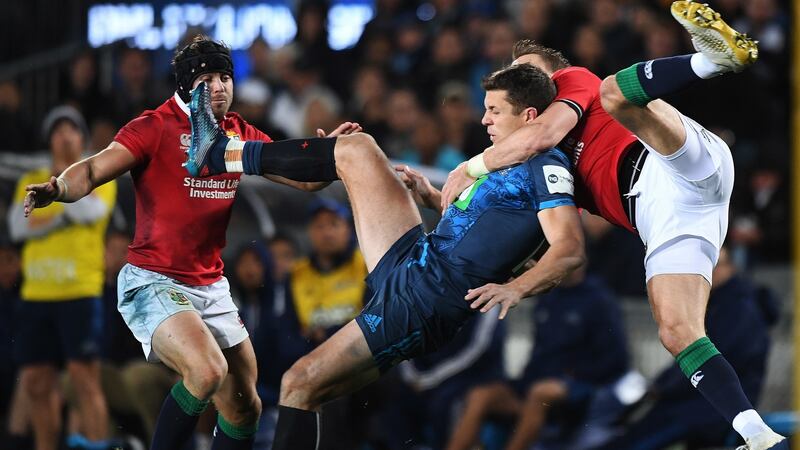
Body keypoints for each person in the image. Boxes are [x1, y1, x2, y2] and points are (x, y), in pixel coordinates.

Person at [185, 61, 585, 449]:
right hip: (417, 258)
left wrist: (516, 288)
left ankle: (222, 154)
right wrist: (430, 197)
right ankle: (224, 153)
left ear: (529, 116)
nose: (485, 120)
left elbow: (569, 248)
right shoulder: (503, 159)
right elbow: (485, 228)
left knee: (298, 383)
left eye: (495, 111)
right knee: (357, 149)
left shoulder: (545, 165)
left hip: (423, 300)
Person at [438, 3, 786, 449]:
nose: (522, 80)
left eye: (530, 71)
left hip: (670, 162)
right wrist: (432, 195)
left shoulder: (572, 83)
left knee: (614, 93)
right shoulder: (534, 162)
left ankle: (711, 61)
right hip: (665, 216)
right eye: (515, 75)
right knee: (677, 332)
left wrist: (469, 166)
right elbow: (549, 233)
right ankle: (759, 435)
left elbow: (540, 135)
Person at [22, 35, 360, 450]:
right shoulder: (154, 126)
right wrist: (59, 188)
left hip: (210, 286)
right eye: (207, 79)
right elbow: (92, 170)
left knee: (245, 407)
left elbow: (305, 181)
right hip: (153, 280)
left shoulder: (237, 131)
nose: (219, 87)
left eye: (225, 77)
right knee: (206, 371)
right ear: (185, 86)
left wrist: (327, 154)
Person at [8, 105, 116, 450]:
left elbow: (90, 212)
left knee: (85, 381)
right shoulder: (29, 180)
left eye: (71, 129)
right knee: (36, 382)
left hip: (79, 291)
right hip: (37, 293)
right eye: (57, 130)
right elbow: (18, 227)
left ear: (82, 138)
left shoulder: (98, 174)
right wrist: (61, 213)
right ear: (49, 139)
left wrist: (52, 199)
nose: (64, 136)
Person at [599, 246, 780, 450]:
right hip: (696, 405)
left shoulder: (739, 310)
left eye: (714, 265)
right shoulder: (716, 303)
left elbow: (712, 361)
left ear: (730, 268)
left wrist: (663, 387)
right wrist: (660, 385)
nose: (706, 271)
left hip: (705, 408)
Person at [446, 267, 630, 450]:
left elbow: (616, 359)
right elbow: (539, 352)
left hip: (579, 386)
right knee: (481, 395)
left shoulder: (599, 299)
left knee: (540, 393)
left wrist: (573, 377)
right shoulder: (547, 298)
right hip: (535, 382)